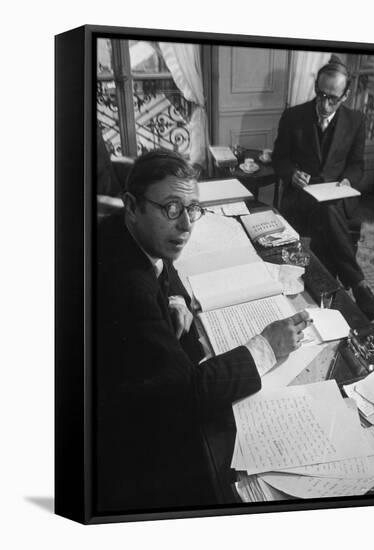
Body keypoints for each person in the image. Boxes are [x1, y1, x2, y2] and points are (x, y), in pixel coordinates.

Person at [95, 149, 311, 513]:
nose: (186, 226)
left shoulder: (122, 230)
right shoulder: (128, 291)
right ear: (132, 206)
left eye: (191, 209)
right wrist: (267, 347)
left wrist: (173, 300)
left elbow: (165, 267)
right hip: (126, 448)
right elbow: (187, 395)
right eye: (172, 209)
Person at [272, 55, 374, 321]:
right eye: (320, 94)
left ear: (345, 95)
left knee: (327, 212)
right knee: (327, 218)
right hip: (300, 198)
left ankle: (326, 293)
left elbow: (358, 165)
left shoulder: (355, 121)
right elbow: (279, 158)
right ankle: (356, 284)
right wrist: (291, 174)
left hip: (336, 198)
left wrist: (348, 180)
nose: (324, 104)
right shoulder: (293, 116)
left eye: (332, 98)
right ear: (316, 88)